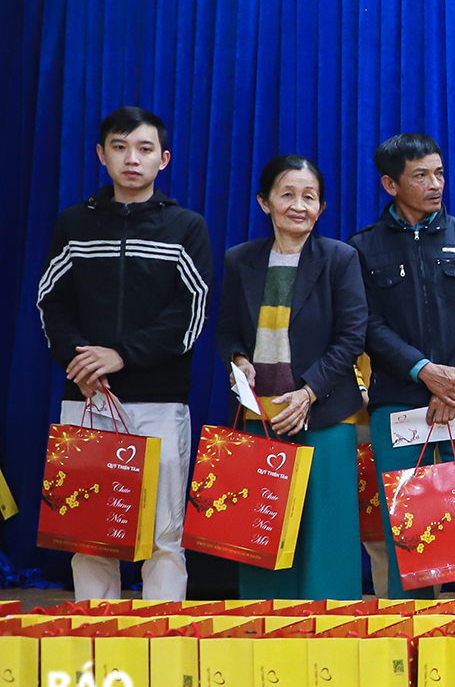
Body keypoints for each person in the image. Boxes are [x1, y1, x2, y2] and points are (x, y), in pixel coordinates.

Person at [37, 106, 212, 601]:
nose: (131, 159)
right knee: (88, 536)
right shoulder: (73, 223)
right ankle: (98, 639)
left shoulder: (186, 227)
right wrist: (81, 362)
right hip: (87, 398)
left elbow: (190, 314)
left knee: (163, 536)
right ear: (101, 154)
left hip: (159, 403)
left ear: (164, 159)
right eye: (120, 147)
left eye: (144, 149)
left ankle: (164, 644)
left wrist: (121, 355)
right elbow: (52, 302)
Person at [349, 132, 455, 598]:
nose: (435, 183)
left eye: (439, 172)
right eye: (420, 175)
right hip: (400, 404)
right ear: (390, 184)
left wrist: (452, 383)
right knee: (408, 529)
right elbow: (368, 326)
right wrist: (424, 371)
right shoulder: (364, 247)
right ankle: (411, 647)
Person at [216, 155, 369, 600]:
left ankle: (334, 637)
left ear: (321, 207)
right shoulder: (240, 259)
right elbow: (226, 329)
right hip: (258, 415)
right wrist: (238, 358)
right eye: (287, 195)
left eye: (309, 196)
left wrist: (309, 392)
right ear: (265, 202)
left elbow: (351, 336)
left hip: (323, 414)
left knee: (328, 539)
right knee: (263, 533)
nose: (298, 205)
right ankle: (267, 636)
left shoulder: (340, 258)